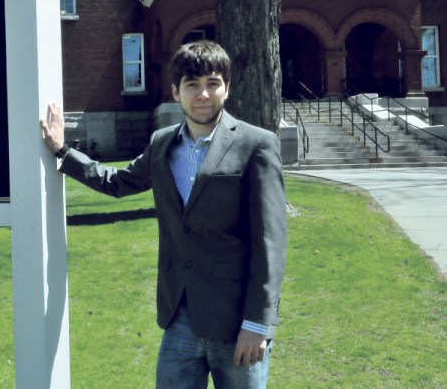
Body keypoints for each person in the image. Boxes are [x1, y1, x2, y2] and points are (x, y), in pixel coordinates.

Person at [40, 40, 287, 388]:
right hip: (180, 315)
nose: (203, 94)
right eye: (192, 85)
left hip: (237, 322)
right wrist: (64, 152)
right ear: (175, 91)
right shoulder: (161, 144)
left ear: (227, 88)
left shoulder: (255, 144)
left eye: (212, 84)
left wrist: (258, 324)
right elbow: (118, 181)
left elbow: (271, 242)